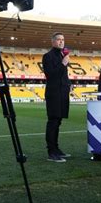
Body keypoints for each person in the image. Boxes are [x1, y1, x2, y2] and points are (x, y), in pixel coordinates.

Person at [42, 32, 72, 163]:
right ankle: (51, 152)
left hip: (63, 92)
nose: (61, 42)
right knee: (53, 122)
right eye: (58, 39)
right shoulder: (47, 56)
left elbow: (63, 76)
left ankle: (57, 149)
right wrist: (63, 63)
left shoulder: (62, 54)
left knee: (58, 122)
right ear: (53, 41)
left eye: (63, 39)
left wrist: (69, 84)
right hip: (54, 93)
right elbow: (51, 75)